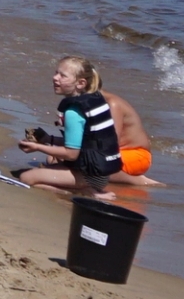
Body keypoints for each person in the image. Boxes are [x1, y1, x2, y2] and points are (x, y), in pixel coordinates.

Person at [12, 56, 153, 201]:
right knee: (50, 162)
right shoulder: (93, 103)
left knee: (27, 177)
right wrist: (49, 140)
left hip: (107, 167)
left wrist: (37, 147)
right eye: (56, 73)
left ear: (81, 83)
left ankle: (86, 191)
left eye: (62, 76)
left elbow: (80, 152)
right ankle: (85, 186)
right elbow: (87, 141)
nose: (55, 78)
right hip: (97, 168)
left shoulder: (79, 110)